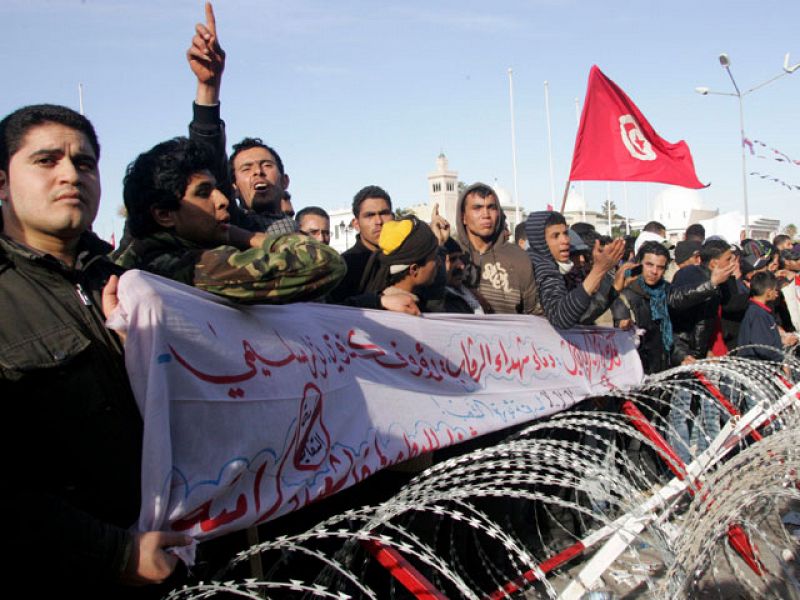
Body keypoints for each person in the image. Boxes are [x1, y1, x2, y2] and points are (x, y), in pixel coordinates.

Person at [0, 104, 191, 597]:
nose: (70, 174)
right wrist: (115, 553)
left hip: (164, 558)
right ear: (2, 183)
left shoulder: (124, 282)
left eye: (84, 163)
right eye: (46, 161)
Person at [116, 137, 345, 303]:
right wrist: (246, 236)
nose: (222, 200)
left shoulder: (145, 255)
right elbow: (326, 263)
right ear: (165, 215)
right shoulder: (192, 267)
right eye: (204, 193)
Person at [186, 3, 296, 236]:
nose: (258, 172)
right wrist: (208, 88)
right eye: (246, 168)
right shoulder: (234, 232)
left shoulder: (311, 247)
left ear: (285, 181)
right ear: (232, 187)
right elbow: (209, 156)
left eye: (267, 165)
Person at [525, 210, 625, 329]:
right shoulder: (542, 269)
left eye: (565, 233)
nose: (566, 241)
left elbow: (580, 316)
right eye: (555, 236)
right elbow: (561, 317)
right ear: (540, 240)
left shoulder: (547, 265)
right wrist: (598, 270)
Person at [456, 182, 537, 315]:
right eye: (477, 208)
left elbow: (534, 314)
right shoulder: (451, 257)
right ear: (463, 217)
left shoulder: (519, 258)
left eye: (491, 207)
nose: (486, 214)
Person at [360, 216, 441, 314]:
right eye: (435, 258)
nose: (439, 263)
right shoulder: (400, 311)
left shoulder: (377, 302)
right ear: (414, 269)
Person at [736, 271, 785, 363]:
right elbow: (762, 347)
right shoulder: (758, 314)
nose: (777, 293)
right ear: (769, 293)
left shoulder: (759, 311)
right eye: (775, 290)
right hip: (758, 364)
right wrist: (780, 359)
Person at [440, 237, 489, 314]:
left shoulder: (467, 292)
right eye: (452, 259)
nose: (461, 266)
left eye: (461, 258)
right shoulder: (438, 299)